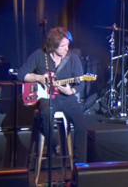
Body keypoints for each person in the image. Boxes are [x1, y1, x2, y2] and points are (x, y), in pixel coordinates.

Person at [19, 27, 88, 162]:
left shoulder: (73, 58)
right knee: (45, 114)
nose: (66, 49)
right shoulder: (39, 55)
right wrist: (39, 78)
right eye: (63, 46)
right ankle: (54, 145)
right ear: (53, 46)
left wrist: (71, 91)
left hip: (67, 98)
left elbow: (81, 83)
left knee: (81, 125)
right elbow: (21, 74)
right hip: (46, 97)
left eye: (68, 45)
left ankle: (80, 167)